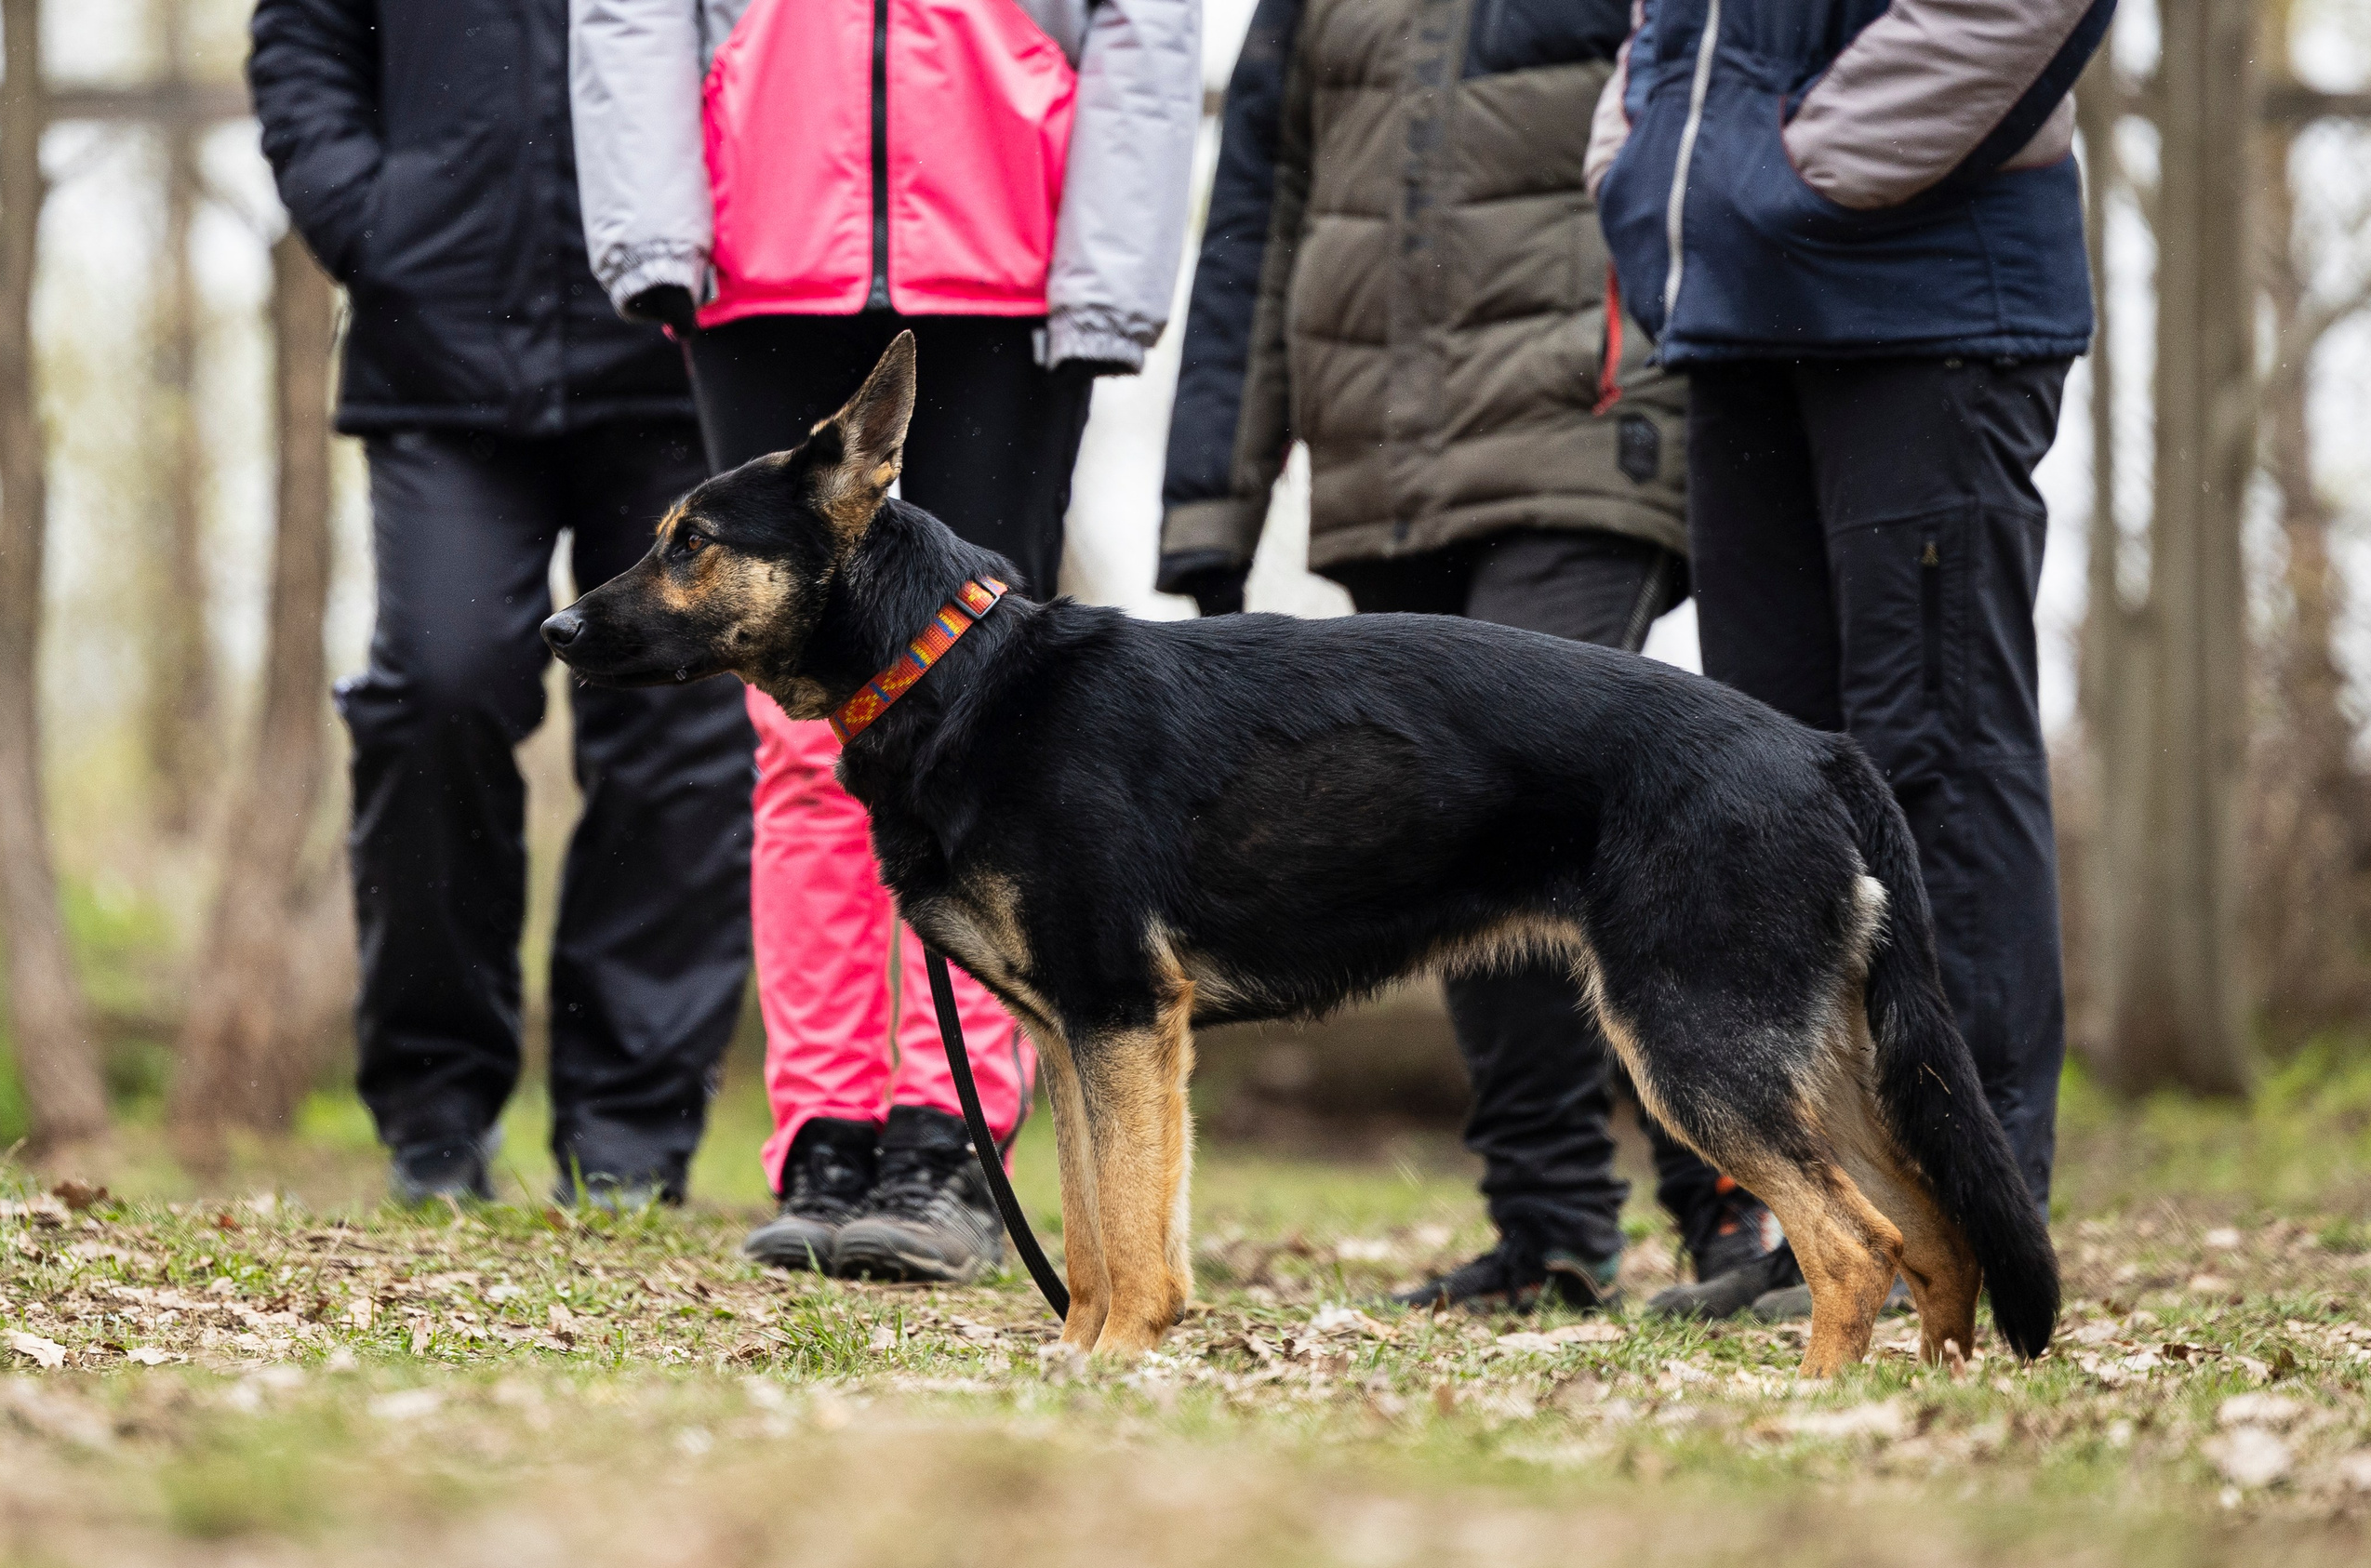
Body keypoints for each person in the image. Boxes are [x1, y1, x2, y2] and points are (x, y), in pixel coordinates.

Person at [1159, 0, 1792, 1313]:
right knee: (1445, 846)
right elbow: (1255, 227)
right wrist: (1212, 506)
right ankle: (1550, 1228)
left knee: (1597, 822)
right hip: (1381, 466)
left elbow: (1699, 144)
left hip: (1585, 435)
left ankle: (1735, 1203)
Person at [570, 0, 1202, 1279]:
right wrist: (654, 225)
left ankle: (951, 1146)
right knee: (797, 739)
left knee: (994, 737)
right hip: (766, 238)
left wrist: (1110, 265)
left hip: (1005, 244)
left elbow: (1145, 19)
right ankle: (826, 1136)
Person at [1588, 0, 2114, 1309]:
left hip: (1923, 298)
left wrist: (1788, 169)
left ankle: (1978, 1211)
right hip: (1740, 315)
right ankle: (1838, 1227)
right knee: (1780, 803)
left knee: (1934, 753)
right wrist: (1647, 156)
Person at [250, 0, 755, 1207]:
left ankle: (628, 1138)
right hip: (440, 346)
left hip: (684, 343)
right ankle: (435, 1114)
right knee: (438, 687)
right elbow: (303, 35)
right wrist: (374, 222)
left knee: (680, 740)